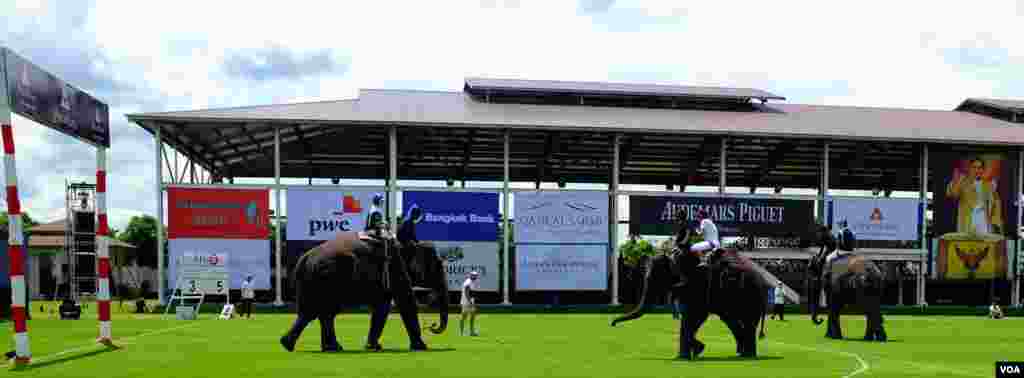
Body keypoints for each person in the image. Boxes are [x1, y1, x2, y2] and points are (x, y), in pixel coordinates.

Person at [945, 157, 1003, 237]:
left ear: (983, 170)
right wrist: (956, 181)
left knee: (984, 244)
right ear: (969, 169)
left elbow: (996, 203)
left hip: (984, 220)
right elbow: (953, 195)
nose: (977, 170)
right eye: (974, 167)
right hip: (968, 219)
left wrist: (995, 221)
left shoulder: (989, 185)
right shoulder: (962, 182)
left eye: (979, 168)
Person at [460, 271, 481, 336]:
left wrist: (472, 301)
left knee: (472, 316)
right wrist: (470, 302)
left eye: (476, 275)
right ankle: (462, 332)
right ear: (470, 275)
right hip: (466, 302)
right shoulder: (468, 282)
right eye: (474, 275)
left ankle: (471, 332)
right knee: (464, 316)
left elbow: (471, 293)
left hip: (470, 301)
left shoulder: (472, 282)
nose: (475, 276)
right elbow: (467, 293)